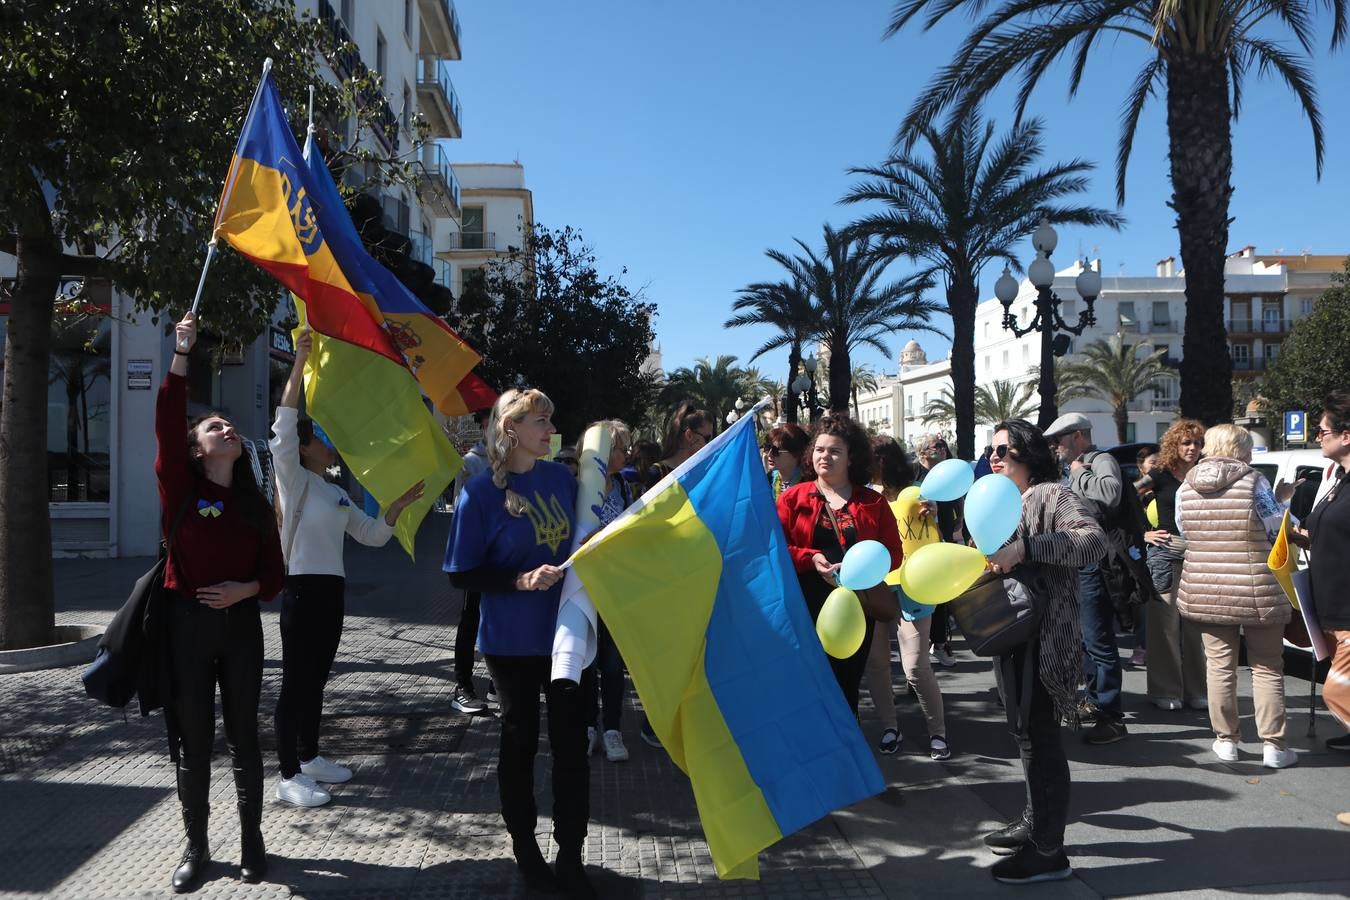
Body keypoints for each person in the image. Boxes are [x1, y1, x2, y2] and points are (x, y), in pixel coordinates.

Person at [443, 388, 594, 897]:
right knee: (520, 742)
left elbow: (588, 536)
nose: (550, 428)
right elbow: (461, 574)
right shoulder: (480, 493)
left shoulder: (561, 479)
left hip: (567, 637)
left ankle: (571, 854)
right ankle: (526, 850)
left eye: (550, 419)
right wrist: (520, 581)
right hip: (509, 642)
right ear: (511, 429)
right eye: (540, 420)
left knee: (572, 746)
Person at [157, 312, 285, 893]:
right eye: (213, 425)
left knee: (243, 740)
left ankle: (252, 842)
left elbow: (276, 577)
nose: (225, 428)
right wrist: (181, 353)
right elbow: (164, 422)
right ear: (197, 448)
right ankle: (196, 847)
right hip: (184, 627)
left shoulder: (256, 506)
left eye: (229, 425)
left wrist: (245, 590)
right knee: (192, 741)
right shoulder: (183, 489)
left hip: (239, 631)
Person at [270, 330, 425, 808]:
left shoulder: (335, 491)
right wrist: (299, 362)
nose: (331, 443)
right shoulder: (292, 479)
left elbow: (372, 536)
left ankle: (311, 756)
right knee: (296, 680)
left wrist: (395, 508)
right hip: (300, 590)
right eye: (322, 437)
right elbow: (284, 421)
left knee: (317, 677)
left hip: (333, 593)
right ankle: (288, 773)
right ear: (304, 447)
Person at [981, 420, 1107, 884]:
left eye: (1004, 451)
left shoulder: (1054, 494)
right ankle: (1037, 822)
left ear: (1029, 456)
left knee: (1041, 740)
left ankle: (1049, 851)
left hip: (1045, 635)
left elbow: (1091, 541)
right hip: (1011, 631)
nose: (994, 459)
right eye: (992, 451)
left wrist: (1026, 548)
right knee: (1024, 733)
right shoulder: (999, 501)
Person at [1175, 424, 1296, 769]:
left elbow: (1184, 530)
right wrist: (1283, 501)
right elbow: (1276, 525)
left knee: (1219, 667)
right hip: (1257, 587)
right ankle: (1274, 746)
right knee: (1267, 667)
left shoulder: (1188, 485)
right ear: (1242, 449)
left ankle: (1226, 740)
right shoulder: (1255, 481)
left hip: (1208, 587)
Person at [777, 415, 902, 713]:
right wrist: (810, 557)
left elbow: (893, 554)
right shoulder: (793, 498)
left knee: (847, 685)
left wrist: (864, 568)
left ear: (851, 457)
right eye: (819, 449)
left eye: (835, 451)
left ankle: (846, 749)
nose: (825, 456)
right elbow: (775, 549)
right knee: (807, 685)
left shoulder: (873, 501)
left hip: (856, 607)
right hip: (805, 603)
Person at [861, 437, 949, 759]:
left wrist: (933, 514)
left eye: (876, 458)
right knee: (877, 664)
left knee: (915, 667)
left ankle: (938, 732)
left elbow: (931, 539)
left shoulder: (916, 494)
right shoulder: (862, 497)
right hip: (876, 587)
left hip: (914, 586)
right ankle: (889, 727)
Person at [1042, 412, 1128, 745]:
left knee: (1099, 641)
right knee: (1086, 642)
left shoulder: (1099, 460)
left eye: (1059, 440)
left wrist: (1079, 475)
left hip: (1094, 562)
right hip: (1077, 562)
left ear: (1078, 437)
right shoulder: (1072, 468)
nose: (1056, 447)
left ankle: (1112, 717)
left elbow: (1109, 495)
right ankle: (1096, 702)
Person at [636, 402, 714, 749]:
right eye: (707, 437)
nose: (712, 442)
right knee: (666, 652)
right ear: (689, 436)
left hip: (696, 572)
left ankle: (687, 719)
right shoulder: (657, 472)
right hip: (664, 575)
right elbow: (645, 522)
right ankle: (654, 721)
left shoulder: (707, 470)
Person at [1293, 392, 1350, 814]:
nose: (1317, 437)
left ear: (1346, 435)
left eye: (1324, 431)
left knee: (1337, 691)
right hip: (1329, 608)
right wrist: (1296, 536)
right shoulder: (1339, 481)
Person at [1142, 420, 1206, 712]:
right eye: (1186, 443)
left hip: (1200, 555)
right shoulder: (1159, 475)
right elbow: (1125, 497)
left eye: (1197, 443)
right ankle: (1166, 690)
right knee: (1164, 626)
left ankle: (1198, 691)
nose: (1193, 448)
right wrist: (1143, 531)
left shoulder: (1207, 473)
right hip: (1165, 553)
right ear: (1174, 445)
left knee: (1198, 627)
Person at [580, 420, 635, 764]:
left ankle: (612, 728)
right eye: (621, 448)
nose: (626, 454)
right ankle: (587, 725)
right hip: (583, 587)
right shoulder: (577, 487)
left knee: (614, 663)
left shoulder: (624, 487)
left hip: (617, 586)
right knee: (586, 660)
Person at [450, 409, 494, 715]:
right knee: (472, 618)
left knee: (500, 617)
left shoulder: (519, 462)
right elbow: (459, 510)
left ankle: (496, 685)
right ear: (483, 426)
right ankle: (462, 685)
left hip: (507, 558)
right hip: (478, 558)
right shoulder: (471, 463)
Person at [913, 434, 962, 668]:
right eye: (937, 446)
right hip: (918, 542)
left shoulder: (949, 472)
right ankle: (920, 648)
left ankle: (939, 643)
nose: (942, 450)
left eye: (944, 446)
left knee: (942, 593)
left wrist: (960, 523)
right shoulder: (914, 474)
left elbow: (958, 500)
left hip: (945, 537)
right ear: (923, 452)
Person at [766, 423, 809, 499]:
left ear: (796, 453)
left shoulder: (808, 484)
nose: (769, 454)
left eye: (775, 450)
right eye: (767, 447)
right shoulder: (766, 480)